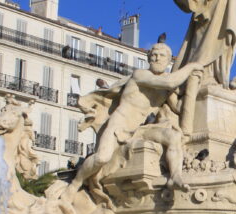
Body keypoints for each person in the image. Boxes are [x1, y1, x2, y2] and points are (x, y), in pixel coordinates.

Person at [67, 43, 203, 201]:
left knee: (173, 137)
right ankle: (75, 183)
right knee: (102, 158)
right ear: (148, 58)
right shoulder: (140, 75)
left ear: (168, 61)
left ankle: (175, 176)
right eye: (154, 55)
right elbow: (171, 82)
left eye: (161, 55)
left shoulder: (165, 87)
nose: (157, 58)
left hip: (141, 129)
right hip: (120, 124)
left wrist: (195, 86)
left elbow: (179, 108)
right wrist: (192, 66)